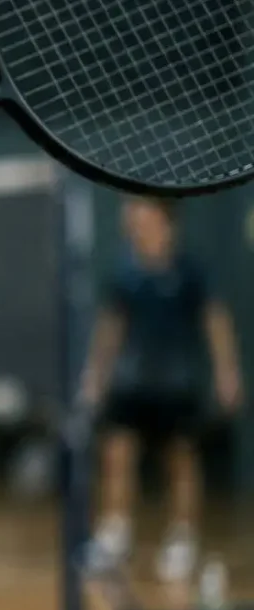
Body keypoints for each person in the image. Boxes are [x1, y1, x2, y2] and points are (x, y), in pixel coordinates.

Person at [81, 196, 242, 582]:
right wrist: (96, 376)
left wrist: (227, 373)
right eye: (133, 215)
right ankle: (115, 535)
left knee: (181, 462)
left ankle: (182, 540)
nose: (135, 222)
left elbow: (215, 322)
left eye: (143, 215)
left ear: (165, 222)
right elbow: (111, 328)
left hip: (176, 385)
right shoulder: (124, 272)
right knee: (117, 454)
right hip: (131, 383)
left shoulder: (189, 270)